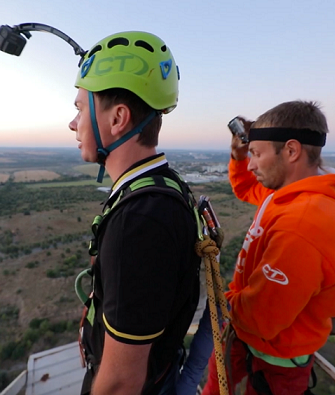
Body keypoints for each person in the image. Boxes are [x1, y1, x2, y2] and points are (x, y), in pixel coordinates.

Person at [202, 101, 335, 395]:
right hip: (247, 336)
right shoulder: (287, 193)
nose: (251, 163)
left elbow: (261, 319)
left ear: (291, 151)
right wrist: (239, 154)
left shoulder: (306, 223)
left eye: (256, 154)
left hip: (275, 357)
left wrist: (226, 302)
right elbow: (244, 187)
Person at [70, 31, 200, 395]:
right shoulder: (162, 186)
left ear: (118, 119)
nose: (72, 122)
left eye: (80, 108)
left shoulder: (141, 221)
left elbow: (121, 383)